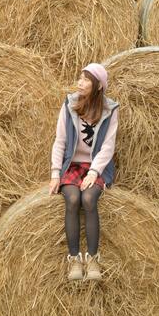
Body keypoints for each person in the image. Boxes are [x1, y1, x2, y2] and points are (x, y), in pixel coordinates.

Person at [49, 63, 119, 281]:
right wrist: (55, 173)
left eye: (86, 79)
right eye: (79, 78)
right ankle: (74, 260)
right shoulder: (69, 105)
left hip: (96, 167)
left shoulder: (110, 110)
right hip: (72, 165)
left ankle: (92, 260)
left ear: (98, 86)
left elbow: (108, 146)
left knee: (89, 199)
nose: (80, 83)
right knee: (72, 199)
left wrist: (95, 172)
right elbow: (60, 141)